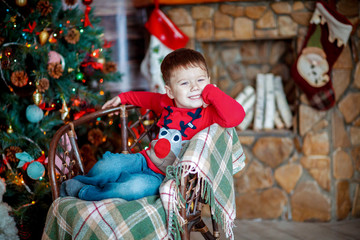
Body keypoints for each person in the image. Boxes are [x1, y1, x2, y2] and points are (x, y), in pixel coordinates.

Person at [60, 48, 245, 201]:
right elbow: (145, 98)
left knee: (133, 188)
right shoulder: (166, 102)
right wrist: (122, 97)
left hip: (166, 178)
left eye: (200, 80)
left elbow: (237, 116)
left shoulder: (210, 113)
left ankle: (84, 193)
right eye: (184, 83)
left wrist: (211, 92)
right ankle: (81, 182)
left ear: (209, 81)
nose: (195, 87)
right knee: (108, 164)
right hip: (143, 159)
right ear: (170, 91)